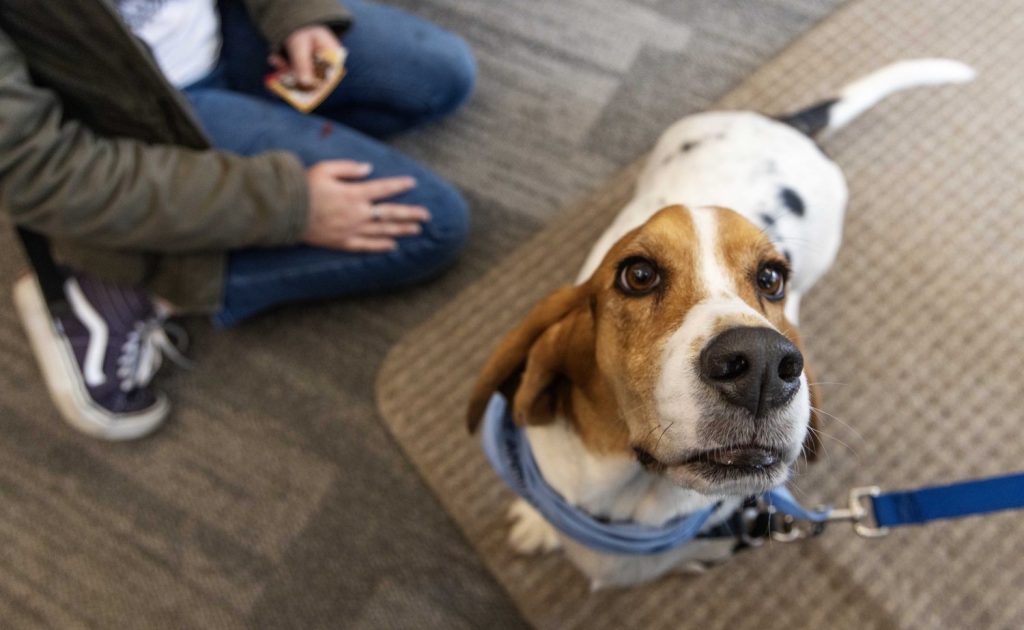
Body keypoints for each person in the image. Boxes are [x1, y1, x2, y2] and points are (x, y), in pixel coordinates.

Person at [0, 0, 475, 440]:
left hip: (222, 29)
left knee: (441, 75)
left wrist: (293, 13)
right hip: (130, 126)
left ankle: (237, 160)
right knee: (432, 225)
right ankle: (120, 281)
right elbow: (44, 172)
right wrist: (286, 204)